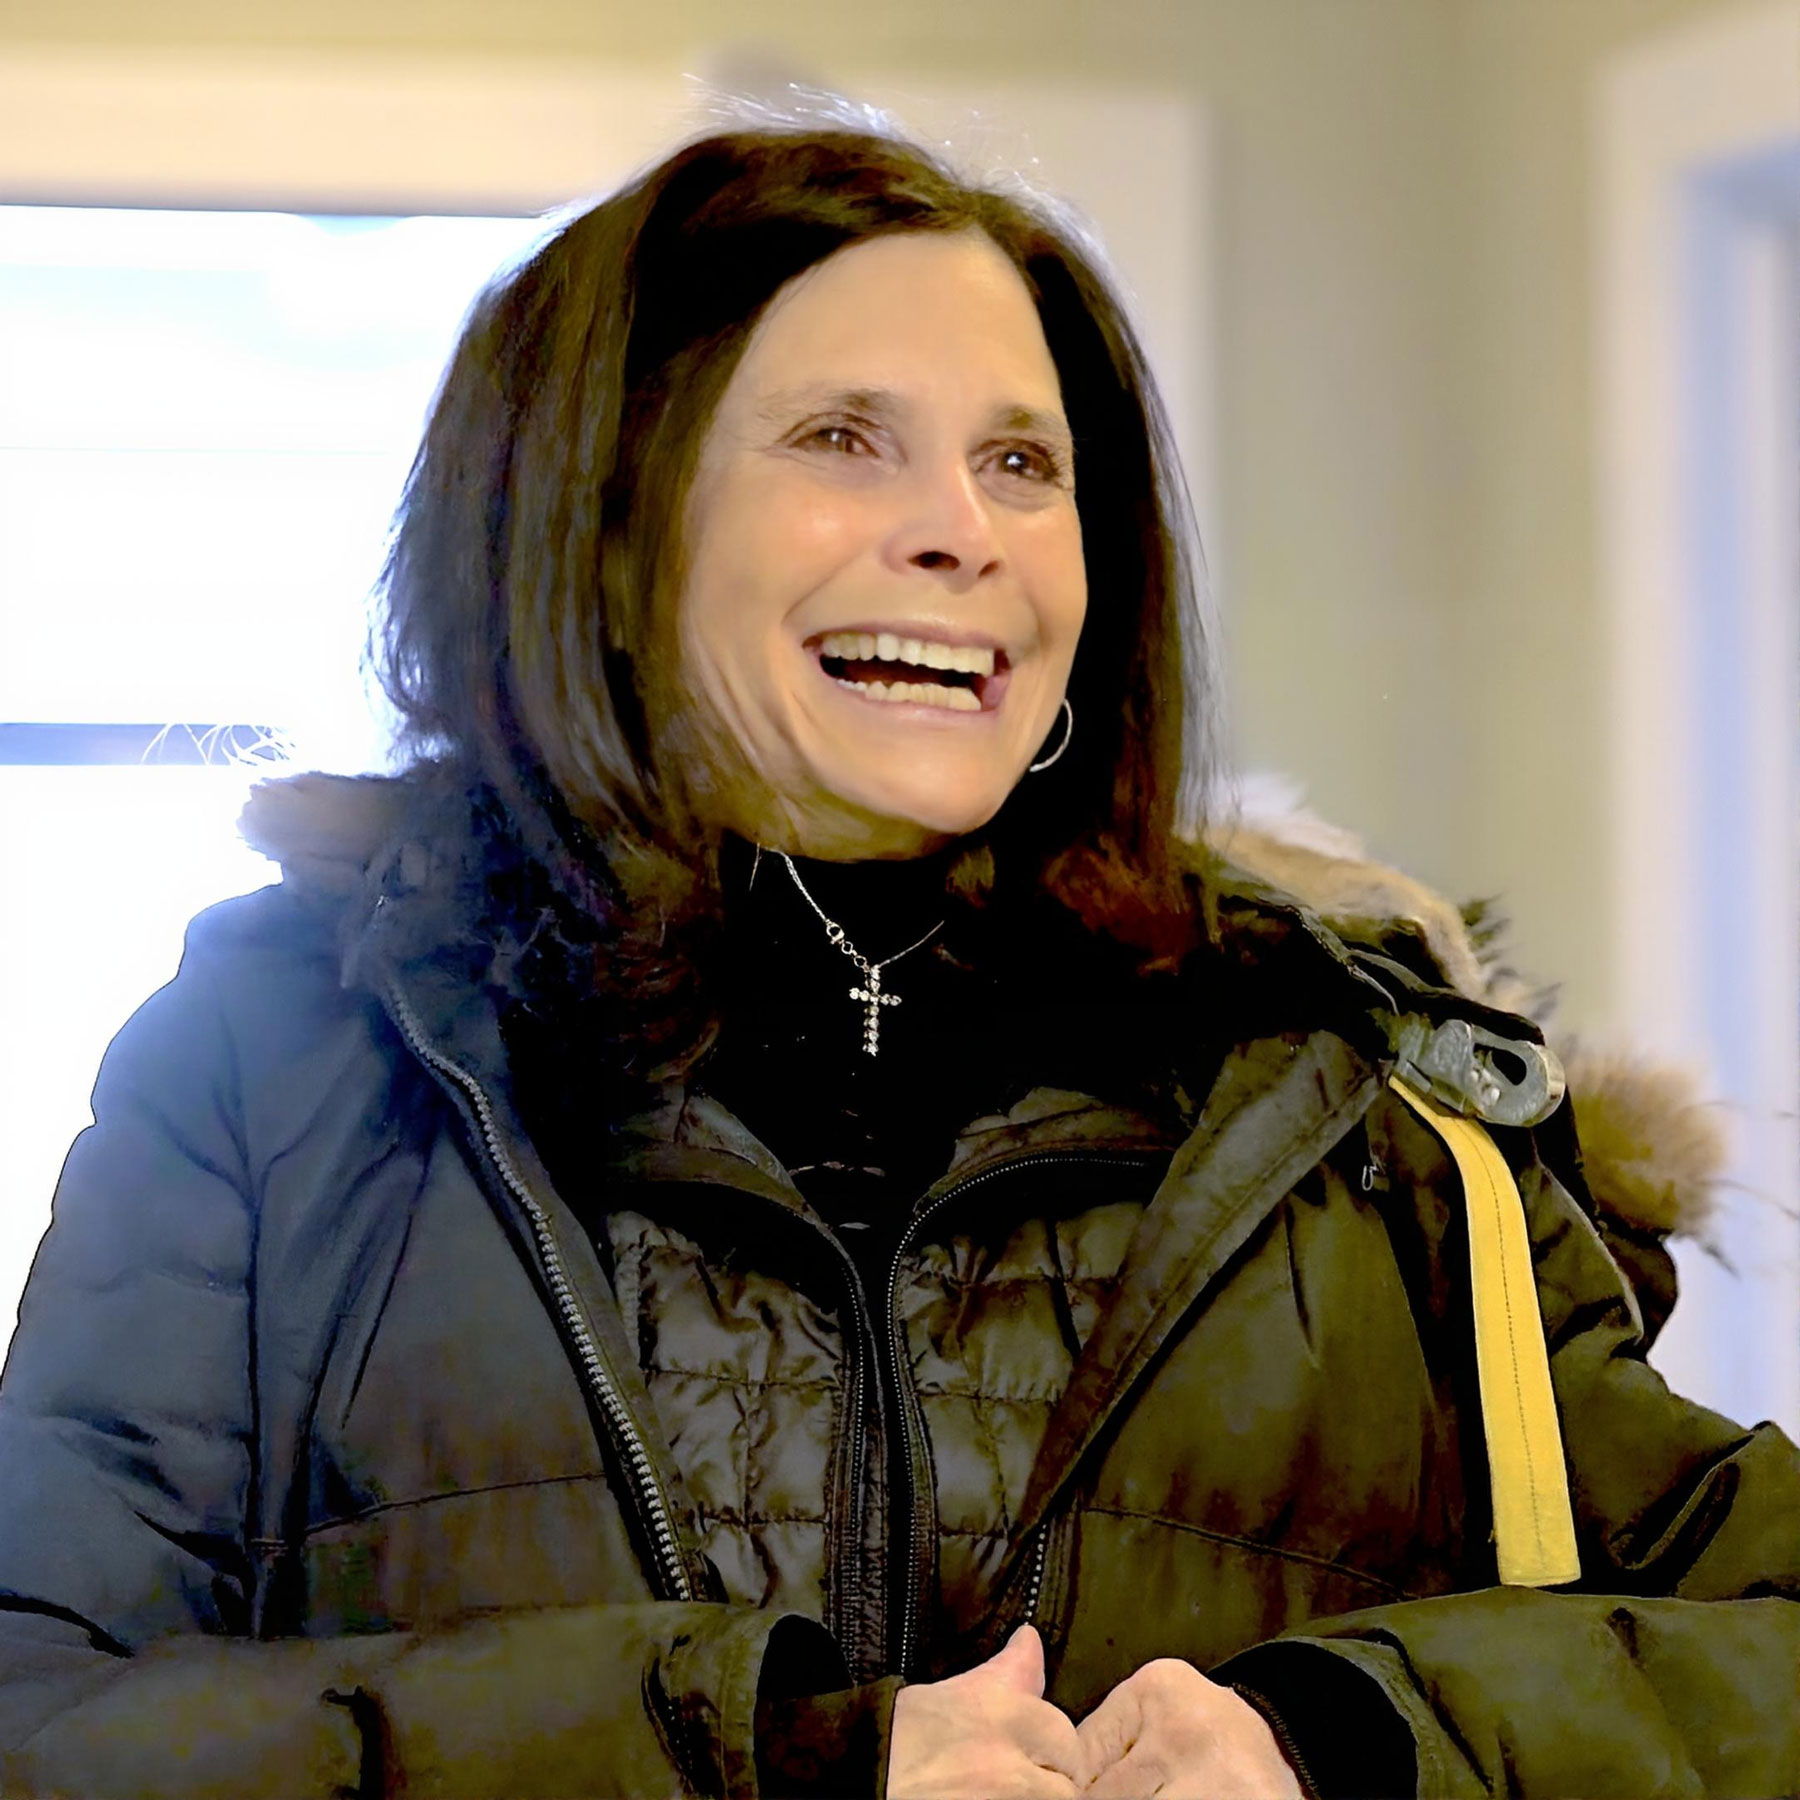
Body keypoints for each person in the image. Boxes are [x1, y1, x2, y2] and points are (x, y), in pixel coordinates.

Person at [0, 119, 1794, 1800]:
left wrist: (1350, 1738)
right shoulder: (276, 1067)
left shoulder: (1361, 1106)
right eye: (842, 438)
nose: (965, 530)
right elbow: (40, 1711)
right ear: (600, 518)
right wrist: (755, 1755)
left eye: (1023, 462)